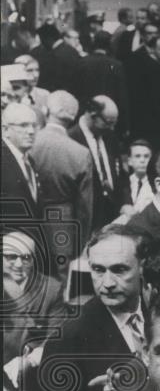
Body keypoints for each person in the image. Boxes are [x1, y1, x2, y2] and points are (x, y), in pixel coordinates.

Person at [37, 225, 149, 391]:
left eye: (120, 270)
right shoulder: (67, 341)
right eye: (98, 270)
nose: (107, 283)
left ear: (143, 266)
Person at [29, 90, 95, 269]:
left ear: (45, 110)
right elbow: (84, 207)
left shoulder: (29, 144)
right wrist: (81, 242)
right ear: (72, 118)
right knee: (59, 281)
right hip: (63, 227)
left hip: (29, 219)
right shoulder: (81, 153)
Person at [2, 229, 68, 390]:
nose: (18, 264)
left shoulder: (51, 289)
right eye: (11, 257)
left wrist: (31, 359)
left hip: (28, 378)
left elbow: (57, 335)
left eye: (26, 258)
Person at [69, 96, 122, 234]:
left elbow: (121, 173)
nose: (112, 128)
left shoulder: (110, 136)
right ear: (93, 115)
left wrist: (126, 202)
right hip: (87, 220)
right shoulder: (71, 139)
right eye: (108, 123)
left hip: (114, 217)